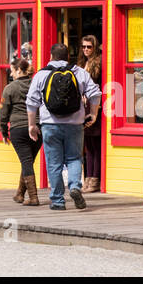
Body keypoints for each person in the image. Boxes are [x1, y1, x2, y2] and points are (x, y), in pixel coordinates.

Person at [27, 43, 100, 210]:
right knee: (74, 158)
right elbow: (95, 94)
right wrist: (93, 114)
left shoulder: (41, 75)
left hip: (49, 124)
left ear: (50, 56)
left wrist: (32, 125)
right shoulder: (79, 72)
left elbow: (31, 102)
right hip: (74, 124)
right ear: (68, 57)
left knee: (54, 163)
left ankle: (58, 201)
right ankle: (74, 187)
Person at [0, 58, 39, 206]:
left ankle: (33, 197)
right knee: (28, 161)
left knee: (26, 161)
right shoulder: (36, 85)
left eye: (12, 71)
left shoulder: (10, 88)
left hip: (18, 129)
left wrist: (4, 132)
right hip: (37, 127)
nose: (11, 74)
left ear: (19, 70)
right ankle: (20, 194)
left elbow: (3, 113)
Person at [79, 35, 104, 193]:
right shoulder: (82, 63)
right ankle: (87, 178)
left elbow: (98, 86)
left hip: (94, 106)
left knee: (95, 144)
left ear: (95, 48)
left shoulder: (98, 63)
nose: (86, 49)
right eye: (84, 47)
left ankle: (95, 178)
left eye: (89, 47)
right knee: (87, 144)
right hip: (83, 107)